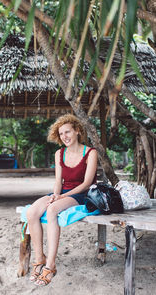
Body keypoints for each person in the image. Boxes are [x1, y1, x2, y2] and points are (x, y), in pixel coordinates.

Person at [26, 113, 98, 286]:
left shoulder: (91, 153)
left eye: (67, 132)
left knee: (52, 210)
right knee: (32, 212)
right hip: (63, 192)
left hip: (82, 194)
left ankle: (51, 265)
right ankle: (39, 259)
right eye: (61, 134)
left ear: (77, 131)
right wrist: (54, 195)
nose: (64, 136)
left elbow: (87, 183)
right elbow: (59, 181)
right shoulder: (60, 153)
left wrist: (61, 198)